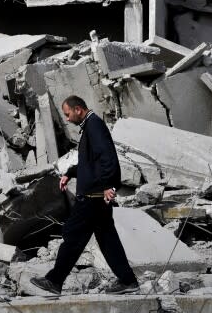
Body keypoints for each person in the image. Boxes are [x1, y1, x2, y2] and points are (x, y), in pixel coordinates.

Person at [30, 95, 139, 295]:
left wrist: (108, 185)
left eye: (68, 114)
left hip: (93, 196)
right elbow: (91, 162)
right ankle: (128, 281)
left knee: (73, 235)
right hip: (96, 196)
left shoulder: (94, 125)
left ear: (78, 109)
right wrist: (70, 173)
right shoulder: (90, 126)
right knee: (107, 239)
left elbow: (108, 156)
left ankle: (54, 281)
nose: (67, 119)